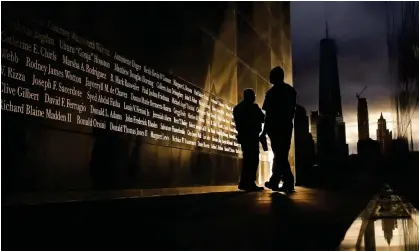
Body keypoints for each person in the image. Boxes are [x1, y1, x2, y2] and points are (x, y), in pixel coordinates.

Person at [260, 66, 297, 192]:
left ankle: (280, 181)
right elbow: (291, 111)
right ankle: (280, 181)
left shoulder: (271, 94)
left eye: (271, 75)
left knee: (280, 155)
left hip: (276, 128)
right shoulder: (290, 91)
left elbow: (268, 115)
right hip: (285, 127)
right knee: (281, 155)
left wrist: (264, 131)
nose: (269, 78)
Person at [233, 89, 265, 191]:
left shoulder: (238, 108)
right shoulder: (253, 107)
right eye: (253, 96)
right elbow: (262, 118)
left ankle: (244, 183)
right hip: (251, 136)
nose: (254, 98)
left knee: (247, 160)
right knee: (252, 160)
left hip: (244, 137)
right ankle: (250, 182)